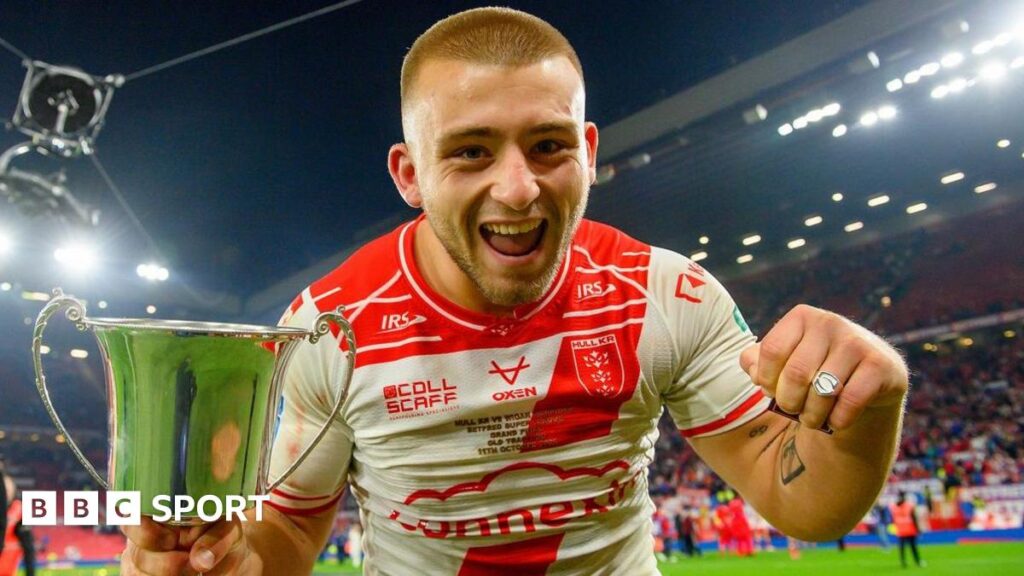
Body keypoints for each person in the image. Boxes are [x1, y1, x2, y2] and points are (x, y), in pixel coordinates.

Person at [122, 7, 910, 575]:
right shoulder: (331, 327)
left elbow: (800, 499)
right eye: (470, 152)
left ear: (589, 152)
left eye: (547, 146)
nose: (519, 188)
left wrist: (872, 403)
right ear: (410, 174)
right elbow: (291, 535)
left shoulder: (666, 294)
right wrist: (226, 563)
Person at [891, 491, 925, 568]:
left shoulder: (894, 506)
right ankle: (918, 561)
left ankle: (903, 562)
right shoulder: (909, 506)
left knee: (902, 547)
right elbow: (914, 518)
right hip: (910, 529)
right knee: (913, 547)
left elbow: (893, 518)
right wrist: (918, 529)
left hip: (901, 530)